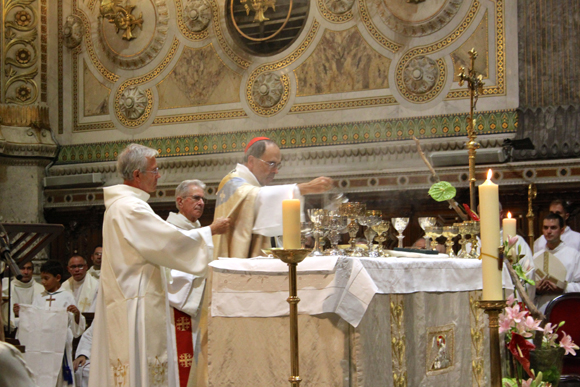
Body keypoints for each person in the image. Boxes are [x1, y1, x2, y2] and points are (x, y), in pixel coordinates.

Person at [88, 143, 230, 387]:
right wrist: (210, 231)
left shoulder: (125, 205)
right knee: (141, 367)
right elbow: (169, 242)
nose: (158, 175)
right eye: (154, 170)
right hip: (137, 300)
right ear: (137, 174)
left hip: (135, 294)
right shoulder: (129, 207)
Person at [213, 137, 335, 259]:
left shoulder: (253, 185)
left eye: (278, 165)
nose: (276, 171)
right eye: (271, 164)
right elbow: (254, 197)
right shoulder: (231, 182)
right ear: (251, 161)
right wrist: (303, 188)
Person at [165, 179, 209, 387]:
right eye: (196, 198)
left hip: (199, 306)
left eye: (203, 198)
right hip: (179, 307)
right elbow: (171, 272)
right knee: (180, 360)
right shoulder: (169, 231)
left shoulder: (197, 230)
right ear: (180, 201)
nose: (201, 202)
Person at [18, 260, 86, 387]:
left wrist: (76, 314)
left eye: (46, 278)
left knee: (59, 378)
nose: (43, 282)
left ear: (58, 278)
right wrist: (22, 312)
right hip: (42, 344)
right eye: (42, 278)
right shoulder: (39, 297)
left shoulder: (67, 296)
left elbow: (76, 329)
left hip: (59, 345)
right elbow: (33, 319)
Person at [533, 213, 580, 312]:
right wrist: (536, 289)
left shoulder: (574, 255)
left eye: (553, 228)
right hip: (541, 309)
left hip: (567, 308)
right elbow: (526, 287)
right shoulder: (536, 257)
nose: (548, 231)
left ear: (562, 230)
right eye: (545, 228)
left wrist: (564, 287)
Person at [2, 261, 44, 330]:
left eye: (29, 268)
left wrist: (21, 313)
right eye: (22, 268)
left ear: (33, 271)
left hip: (35, 330)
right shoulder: (7, 288)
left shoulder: (41, 290)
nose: (26, 272)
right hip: (12, 332)